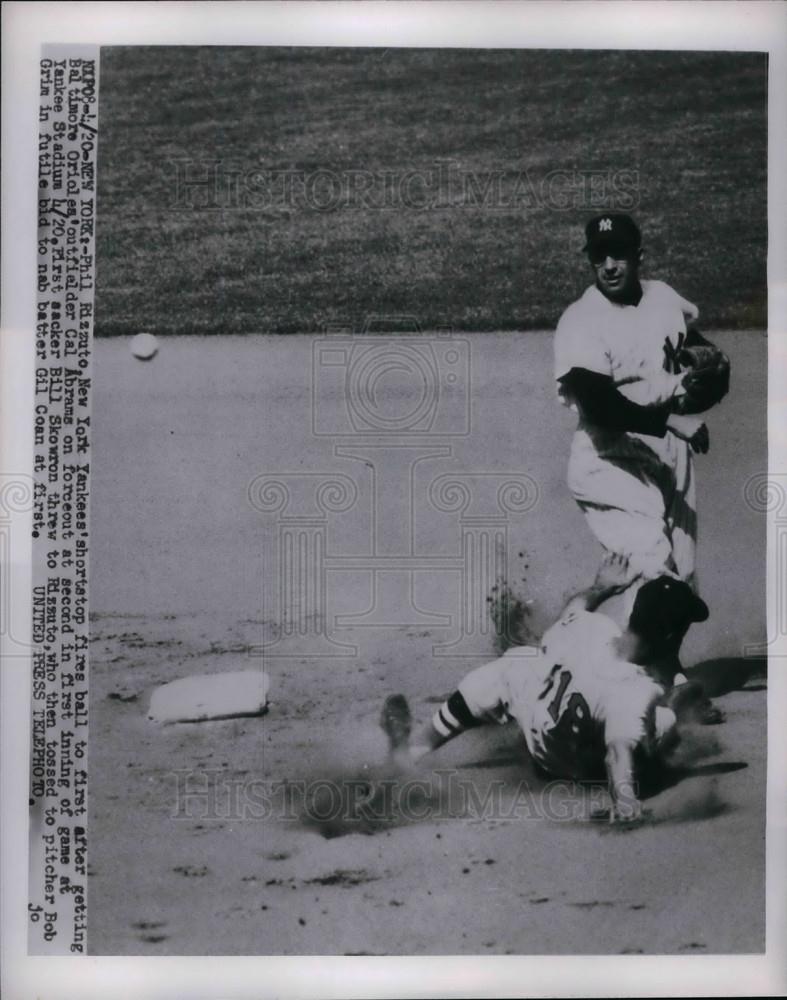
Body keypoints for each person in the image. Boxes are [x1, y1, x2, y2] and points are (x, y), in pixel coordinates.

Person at [380, 567, 712, 826]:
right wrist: (625, 801)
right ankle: (675, 708)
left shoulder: (591, 627)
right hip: (574, 767)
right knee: (660, 721)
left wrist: (602, 586)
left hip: (537, 726)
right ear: (670, 635)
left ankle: (414, 748)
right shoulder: (636, 689)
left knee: (518, 663)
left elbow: (576, 605)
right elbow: (618, 753)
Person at [553, 213, 726, 685]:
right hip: (609, 457)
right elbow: (598, 403)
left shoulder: (664, 299)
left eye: (619, 255)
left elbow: (691, 349)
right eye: (599, 257)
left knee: (682, 578)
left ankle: (659, 665)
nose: (609, 265)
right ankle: (647, 681)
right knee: (654, 562)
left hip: (670, 452)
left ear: (638, 257)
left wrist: (712, 374)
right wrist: (672, 418)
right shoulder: (581, 321)